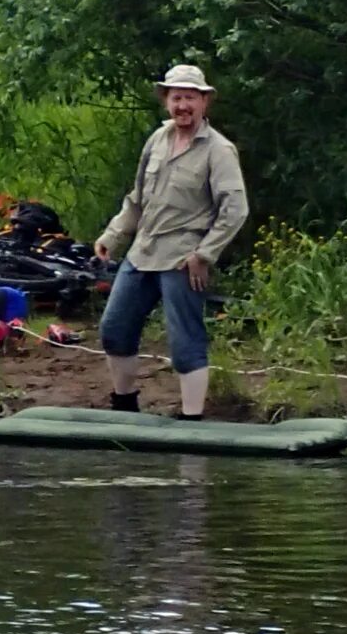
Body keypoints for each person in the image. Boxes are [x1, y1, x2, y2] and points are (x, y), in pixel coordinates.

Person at [94, 62, 248, 418]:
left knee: (185, 341)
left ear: (205, 102)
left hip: (183, 259)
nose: (183, 106)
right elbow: (137, 197)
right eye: (177, 98)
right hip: (143, 250)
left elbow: (235, 209)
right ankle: (124, 406)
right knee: (115, 328)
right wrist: (113, 235)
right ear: (166, 100)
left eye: (191, 98)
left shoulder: (218, 150)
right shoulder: (157, 140)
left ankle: (192, 418)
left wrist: (205, 254)